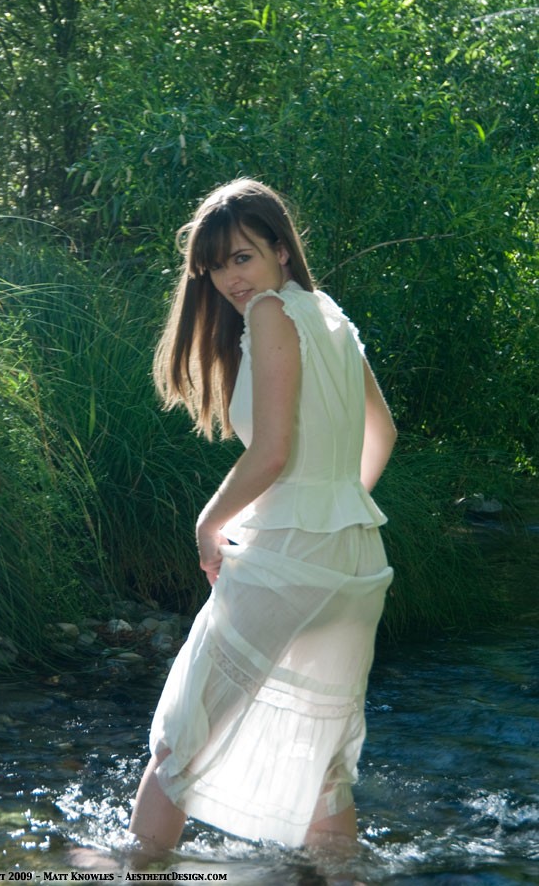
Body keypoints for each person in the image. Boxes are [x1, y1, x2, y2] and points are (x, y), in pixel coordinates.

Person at [128, 178, 397, 855]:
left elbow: (272, 453)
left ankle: (137, 867)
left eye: (242, 257)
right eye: (216, 267)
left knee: (181, 741)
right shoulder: (328, 314)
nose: (230, 279)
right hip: (355, 558)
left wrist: (208, 524)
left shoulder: (273, 313)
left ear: (280, 249)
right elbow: (382, 433)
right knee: (324, 768)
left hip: (291, 555)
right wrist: (334, 507)